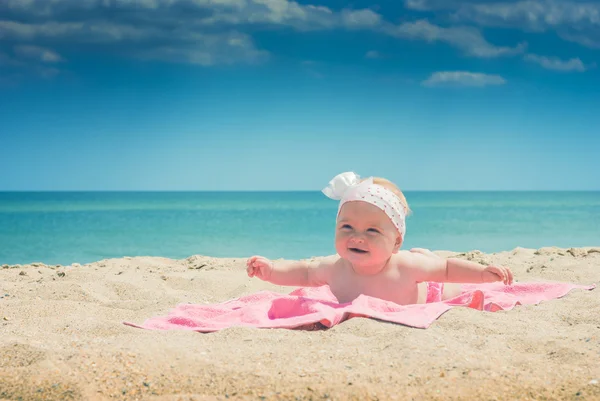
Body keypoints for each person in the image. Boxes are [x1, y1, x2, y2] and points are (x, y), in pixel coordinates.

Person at [246, 172, 514, 305]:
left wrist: (482, 273)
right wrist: (271, 271)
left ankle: (426, 254)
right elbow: (303, 273)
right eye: (347, 227)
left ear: (396, 242)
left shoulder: (406, 265)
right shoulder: (334, 267)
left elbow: (447, 269)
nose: (357, 238)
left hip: (428, 292)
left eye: (372, 231)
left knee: (445, 282)